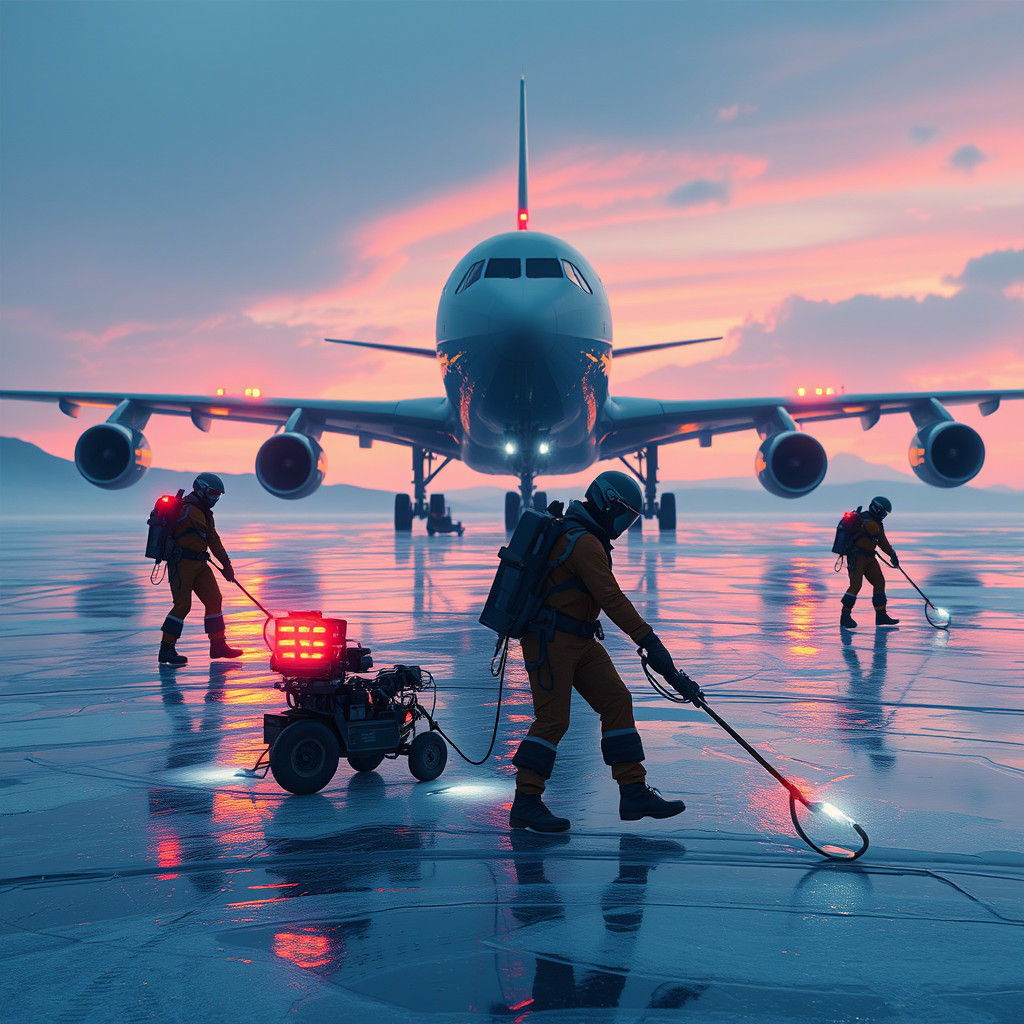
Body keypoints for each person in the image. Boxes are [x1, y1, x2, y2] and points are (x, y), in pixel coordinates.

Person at [509, 470, 701, 833]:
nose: (623, 526)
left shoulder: (587, 538)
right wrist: (650, 641)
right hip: (550, 640)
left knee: (616, 700)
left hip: (579, 639)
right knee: (553, 720)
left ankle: (633, 792)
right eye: (622, 516)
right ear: (604, 503)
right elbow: (611, 598)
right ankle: (526, 802)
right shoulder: (583, 543)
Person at [158, 472, 244, 665]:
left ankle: (218, 645)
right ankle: (166, 649)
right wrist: (226, 565)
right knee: (182, 605)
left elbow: (212, 539)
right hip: (182, 564)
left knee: (214, 599)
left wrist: (227, 564)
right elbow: (212, 538)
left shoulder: (204, 511)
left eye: (218, 495)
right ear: (201, 489)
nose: (215, 498)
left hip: (200, 564)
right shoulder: (190, 510)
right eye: (213, 493)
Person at [840, 495, 900, 630]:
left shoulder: (877, 522)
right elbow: (880, 540)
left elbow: (882, 541)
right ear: (877, 508)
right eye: (884, 512)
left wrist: (892, 555)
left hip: (869, 557)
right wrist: (891, 554)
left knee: (879, 582)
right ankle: (845, 617)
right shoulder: (865, 520)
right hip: (856, 557)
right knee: (855, 586)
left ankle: (881, 616)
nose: (884, 515)